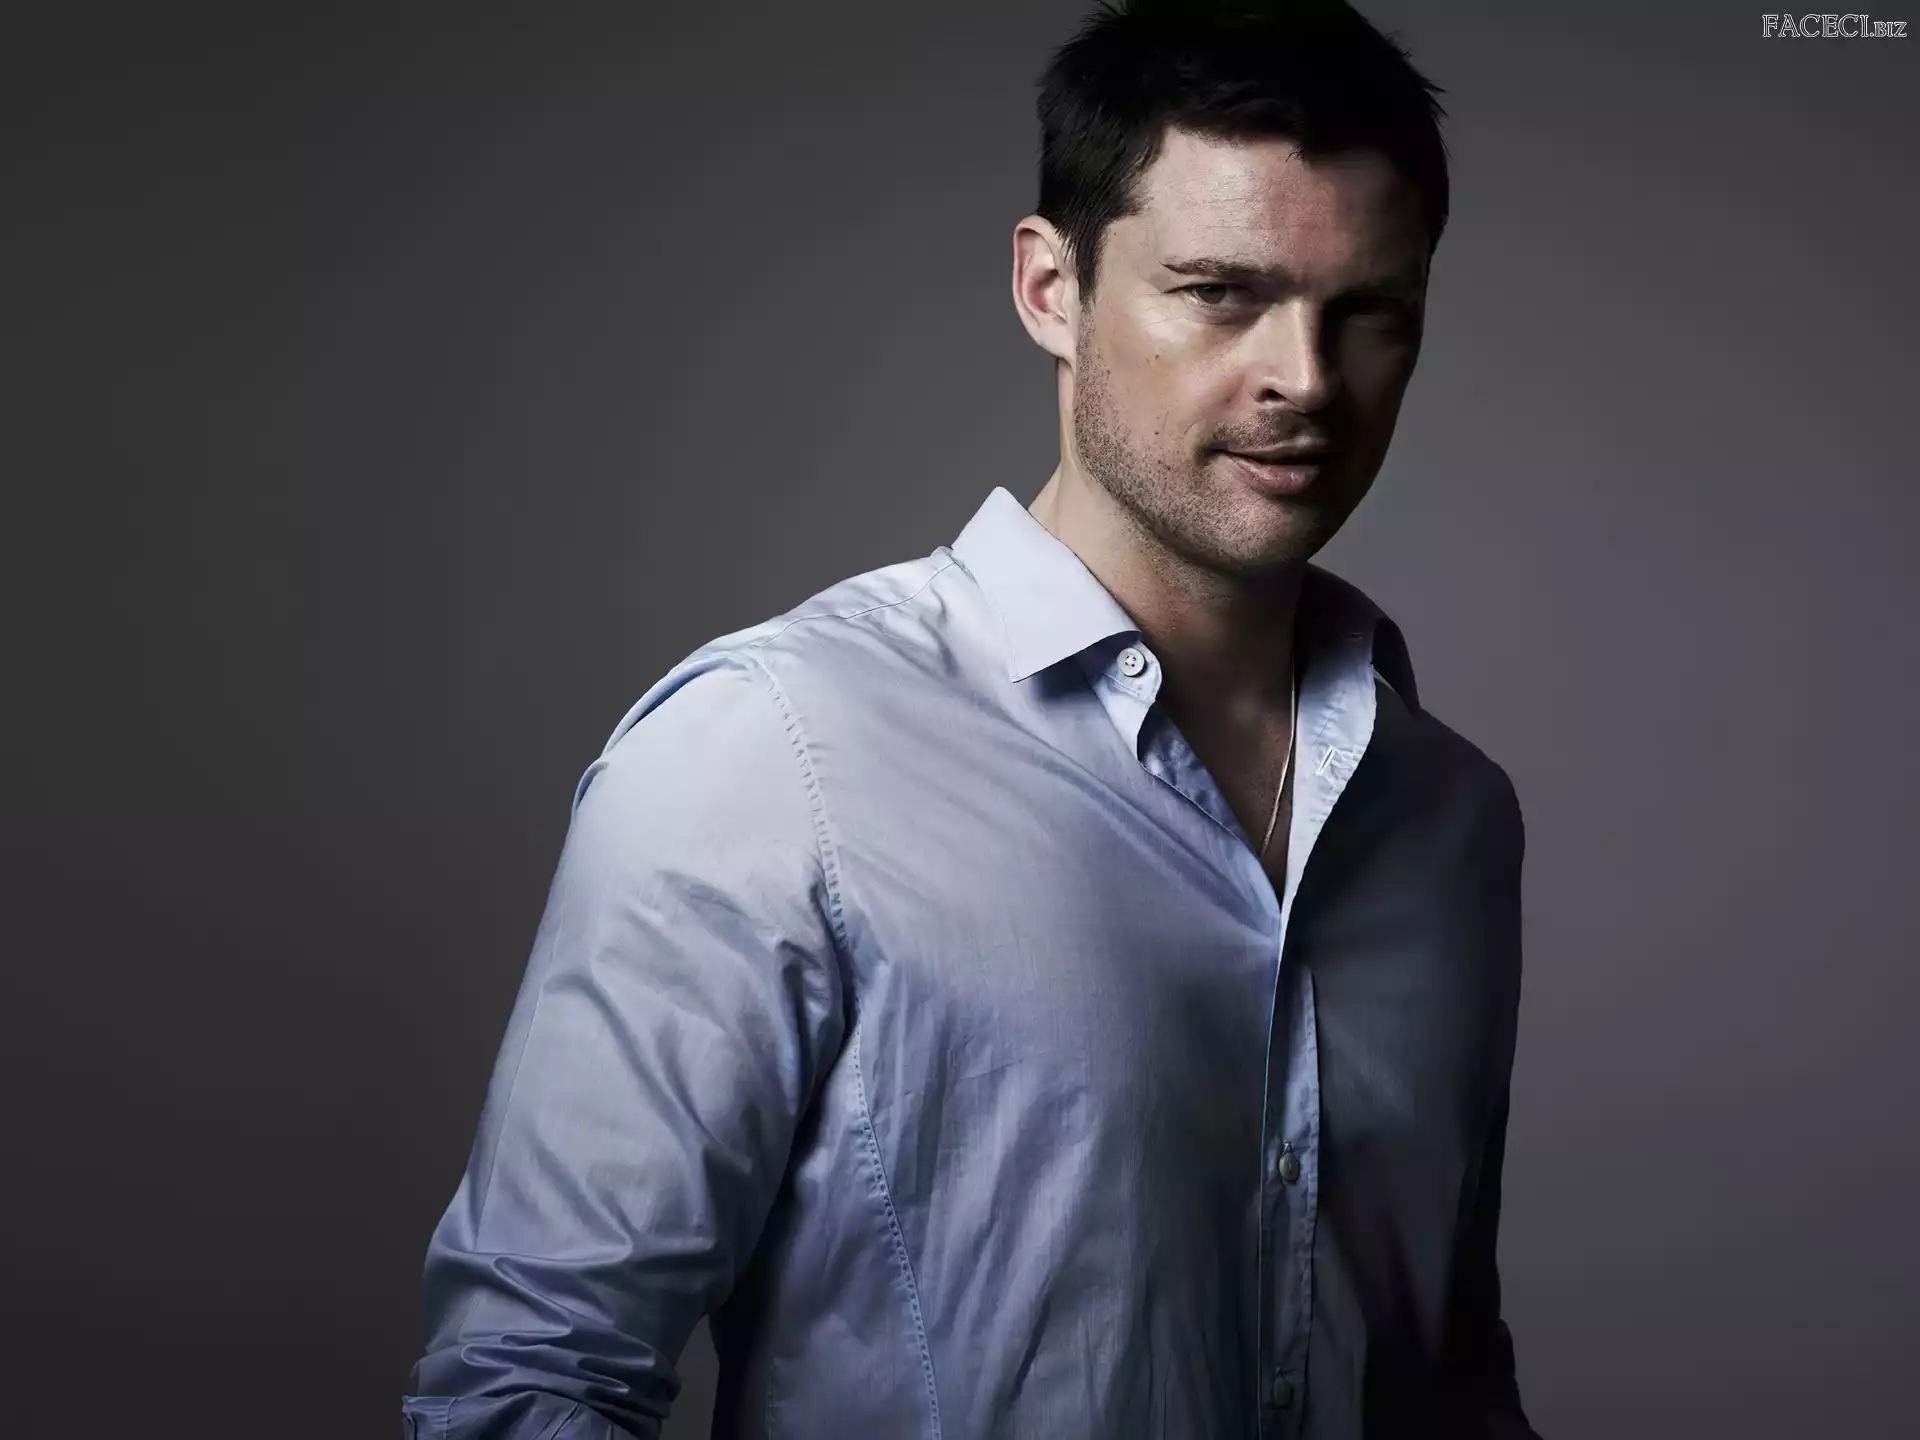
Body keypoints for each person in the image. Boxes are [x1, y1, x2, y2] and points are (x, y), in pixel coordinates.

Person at [402, 1, 1542, 1435]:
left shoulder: (1447, 820)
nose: (1304, 380)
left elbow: (1446, 1381)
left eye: (1368, 310)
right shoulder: (777, 752)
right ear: (1050, 288)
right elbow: (528, 1382)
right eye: (1220, 294)